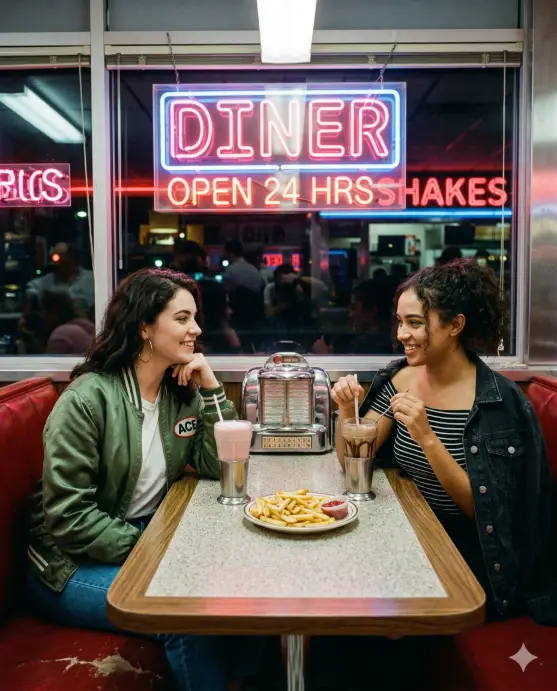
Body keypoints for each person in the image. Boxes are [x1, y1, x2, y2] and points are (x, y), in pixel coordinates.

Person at [26, 268, 265, 691]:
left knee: (246, 588)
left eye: (195, 318)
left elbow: (218, 465)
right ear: (144, 327)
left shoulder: (180, 393)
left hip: (134, 537)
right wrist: (155, 550)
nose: (196, 329)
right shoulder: (87, 400)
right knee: (183, 615)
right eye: (181, 318)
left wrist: (210, 389)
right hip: (65, 565)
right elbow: (68, 517)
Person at [332, 259, 556, 625]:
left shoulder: (498, 402)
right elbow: (355, 460)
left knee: (374, 617)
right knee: (345, 592)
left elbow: (488, 514)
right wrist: (346, 412)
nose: (402, 334)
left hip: (469, 551)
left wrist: (426, 437)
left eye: (416, 323)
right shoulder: (402, 376)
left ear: (455, 326)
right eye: (400, 321)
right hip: (412, 530)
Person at [26, 242, 94, 312]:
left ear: (73, 259)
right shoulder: (46, 282)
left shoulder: (91, 279)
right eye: (58, 265)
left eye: (64, 263)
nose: (61, 268)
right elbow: (31, 290)